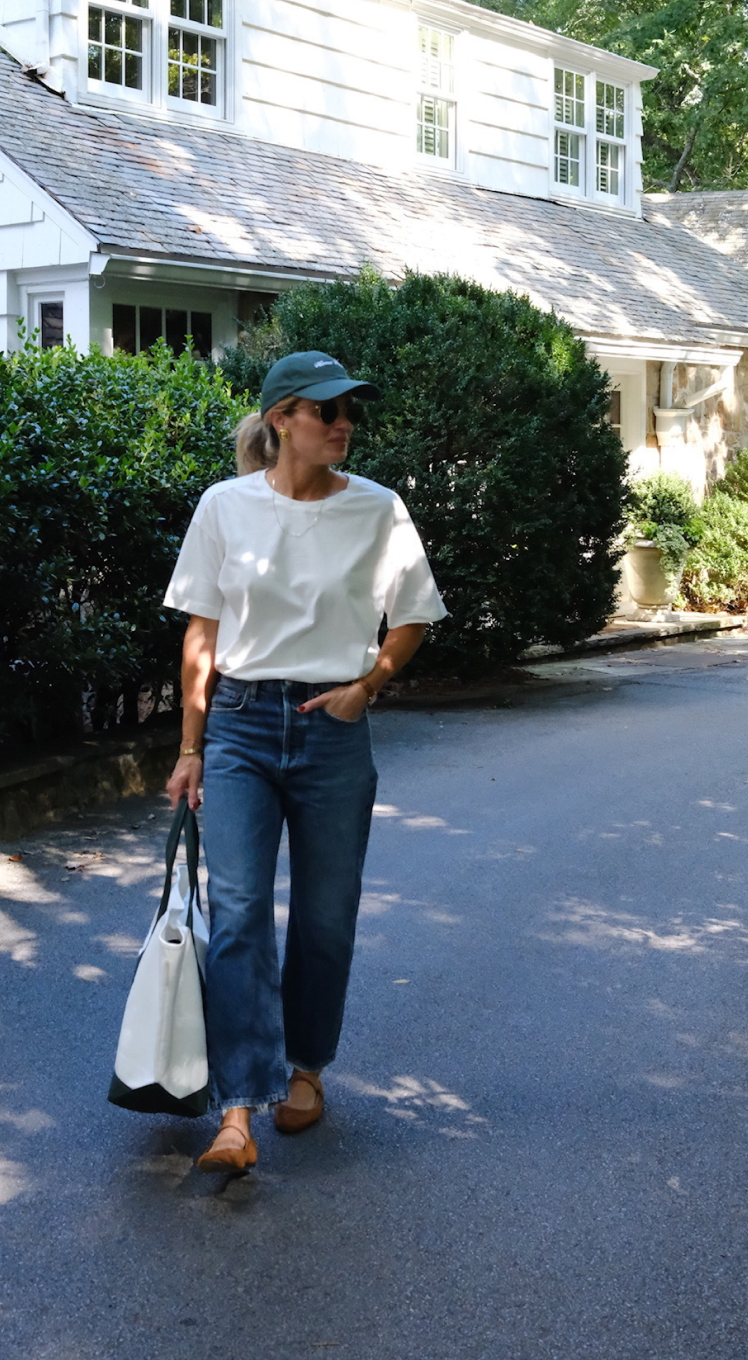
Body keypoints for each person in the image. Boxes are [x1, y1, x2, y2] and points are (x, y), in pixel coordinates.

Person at [163, 350, 447, 1173]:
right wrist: (190, 747)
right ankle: (237, 1111)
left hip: (332, 728)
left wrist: (371, 684)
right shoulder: (224, 507)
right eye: (327, 411)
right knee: (240, 913)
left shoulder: (379, 511)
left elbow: (413, 615)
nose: (344, 423)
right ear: (283, 418)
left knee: (325, 918)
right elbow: (201, 635)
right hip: (243, 727)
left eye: (349, 410)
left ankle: (307, 1070)